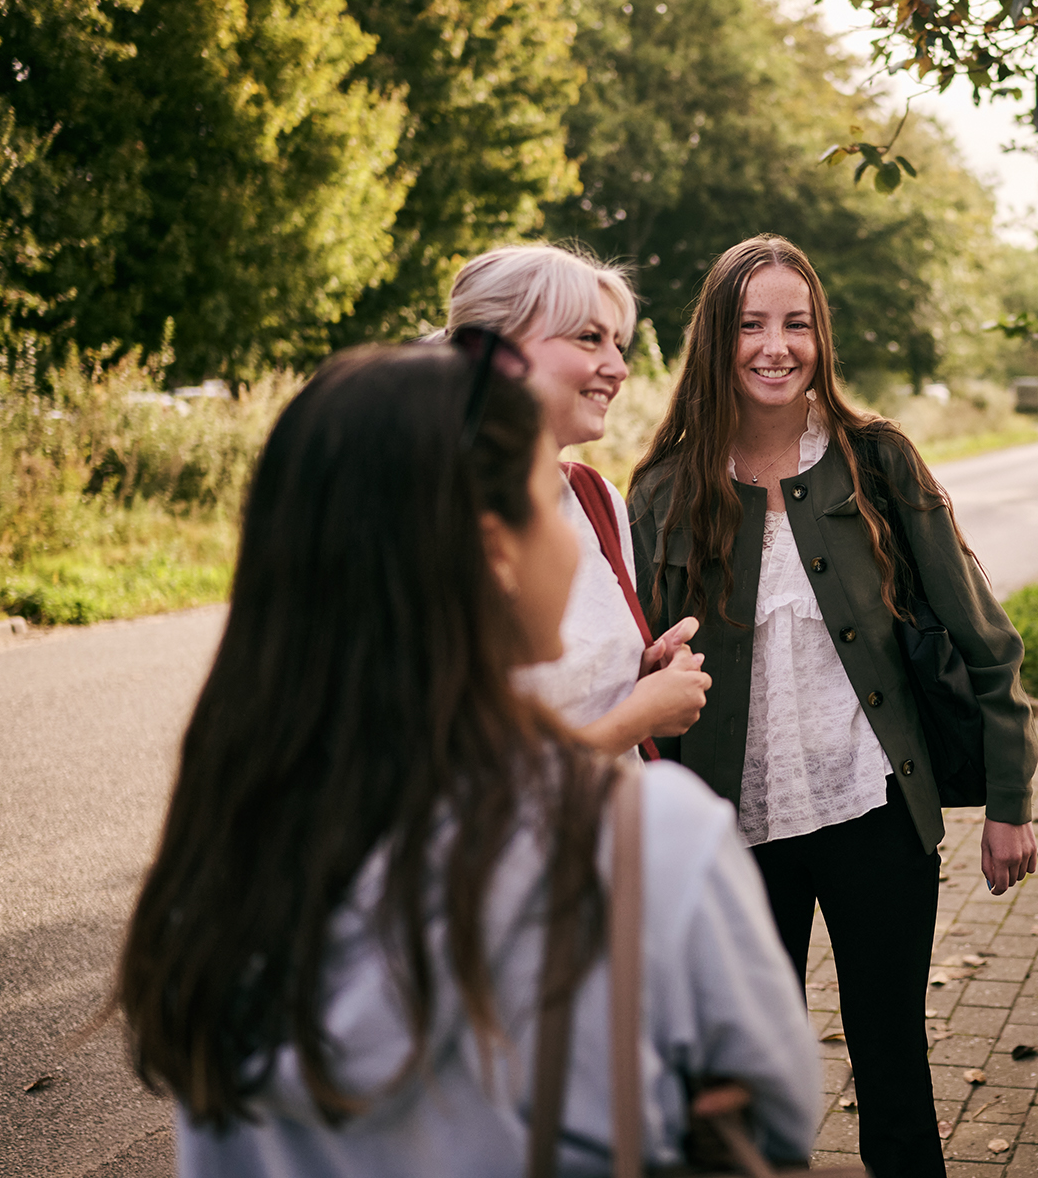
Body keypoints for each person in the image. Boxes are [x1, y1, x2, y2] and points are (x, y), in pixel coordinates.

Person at [115, 341, 819, 1175]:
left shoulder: (225, 867)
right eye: (548, 500)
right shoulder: (645, 838)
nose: (573, 539)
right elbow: (781, 1116)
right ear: (496, 551)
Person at [627, 234, 1038, 1178]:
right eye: (751, 325)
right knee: (742, 1086)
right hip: (729, 833)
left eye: (797, 324)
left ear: (822, 338)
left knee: (893, 1066)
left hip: (873, 811)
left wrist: (1009, 803)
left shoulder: (878, 462)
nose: (776, 347)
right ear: (716, 339)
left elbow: (985, 636)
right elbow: (632, 678)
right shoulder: (662, 492)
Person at [443, 244, 709, 757]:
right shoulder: (437, 513)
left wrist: (641, 676)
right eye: (590, 338)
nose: (619, 368)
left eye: (618, 344)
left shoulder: (595, 497)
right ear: (493, 347)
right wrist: (640, 717)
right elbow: (467, 772)